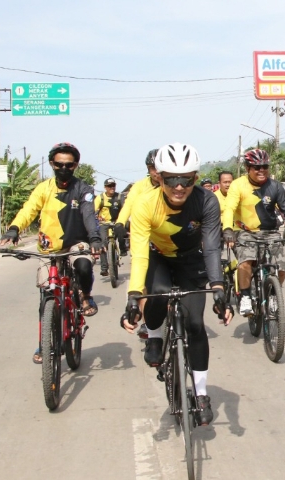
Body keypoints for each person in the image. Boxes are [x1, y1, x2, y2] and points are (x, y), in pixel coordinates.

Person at [119, 143, 232, 426]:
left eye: (186, 179)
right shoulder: (145, 204)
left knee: (195, 324)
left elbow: (211, 248)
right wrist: (134, 296)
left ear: (195, 177)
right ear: (159, 177)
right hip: (158, 258)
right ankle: (155, 336)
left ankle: (202, 392)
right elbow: (140, 255)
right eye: (171, 179)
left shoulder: (207, 201)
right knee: (156, 294)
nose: (179, 187)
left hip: (192, 261)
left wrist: (218, 287)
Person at [0, 142, 102, 363]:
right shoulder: (43, 188)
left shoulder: (83, 189)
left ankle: (85, 296)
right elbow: (29, 209)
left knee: (84, 266)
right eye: (59, 164)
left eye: (69, 164)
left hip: (77, 243)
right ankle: (43, 344)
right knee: (47, 295)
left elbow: (88, 214)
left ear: (75, 165)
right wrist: (15, 228)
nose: (64, 168)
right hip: (49, 248)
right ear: (52, 164)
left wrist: (94, 238)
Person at [222, 149, 285, 316]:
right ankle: (245, 296)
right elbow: (229, 208)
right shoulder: (238, 185)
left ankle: (274, 295)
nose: (261, 170)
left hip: (270, 232)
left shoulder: (275, 186)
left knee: (281, 268)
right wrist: (228, 229)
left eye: (265, 166)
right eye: (256, 167)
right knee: (246, 261)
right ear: (247, 168)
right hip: (245, 232)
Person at [114, 149, 162, 253]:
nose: (157, 172)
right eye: (153, 168)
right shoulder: (139, 186)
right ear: (148, 169)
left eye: (160, 167)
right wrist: (120, 222)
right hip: (144, 227)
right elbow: (129, 205)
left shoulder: (173, 186)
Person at [94, 177, 123, 275]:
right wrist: (96, 217)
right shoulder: (100, 198)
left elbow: (125, 209)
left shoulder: (119, 197)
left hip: (117, 223)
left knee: (122, 233)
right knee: (103, 244)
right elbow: (94, 210)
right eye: (109, 186)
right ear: (105, 187)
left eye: (113, 185)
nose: (112, 188)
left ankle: (123, 250)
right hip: (104, 224)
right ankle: (104, 268)